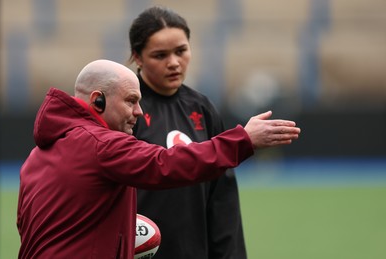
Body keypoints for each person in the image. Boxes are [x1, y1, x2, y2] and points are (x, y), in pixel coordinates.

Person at [16, 59, 300, 259]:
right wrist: (243, 140)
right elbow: (165, 164)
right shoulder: (100, 145)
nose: (138, 111)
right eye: (130, 100)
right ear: (97, 100)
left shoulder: (37, 155)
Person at [127, 6, 246, 258]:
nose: (174, 63)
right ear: (137, 57)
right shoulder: (125, 107)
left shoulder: (201, 108)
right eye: (160, 55)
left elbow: (222, 199)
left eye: (181, 51)